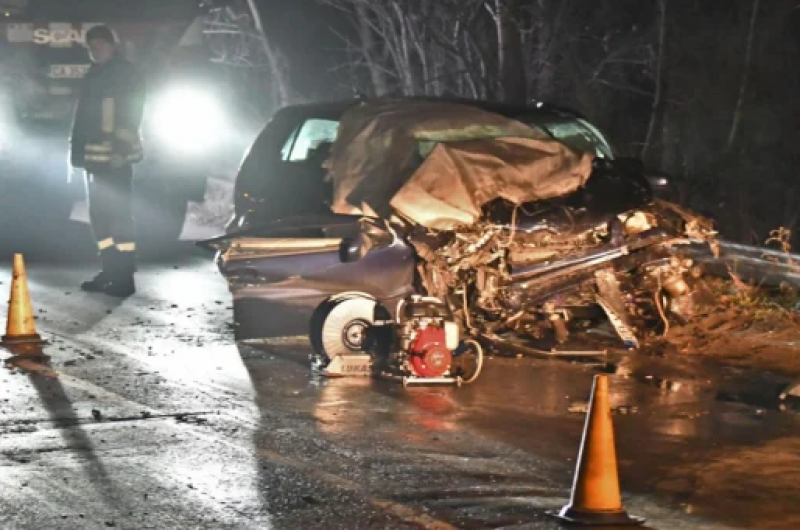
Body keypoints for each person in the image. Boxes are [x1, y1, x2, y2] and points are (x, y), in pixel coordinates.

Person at [70, 25, 146, 297]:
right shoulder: (95, 74)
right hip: (95, 161)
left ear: (113, 46)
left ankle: (124, 276)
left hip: (115, 161)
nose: (95, 51)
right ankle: (110, 271)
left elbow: (131, 116)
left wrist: (119, 149)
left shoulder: (125, 75)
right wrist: (76, 154)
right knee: (100, 219)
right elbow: (83, 119)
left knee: (118, 218)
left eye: (100, 45)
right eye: (91, 47)